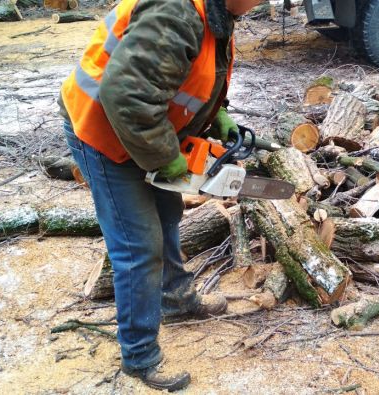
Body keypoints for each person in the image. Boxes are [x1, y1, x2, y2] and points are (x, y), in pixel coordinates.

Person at [58, 0, 263, 390]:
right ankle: (139, 356)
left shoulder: (217, 13)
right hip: (101, 129)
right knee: (139, 244)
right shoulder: (177, 12)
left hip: (141, 127)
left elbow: (182, 77)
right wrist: (168, 159)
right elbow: (128, 97)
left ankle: (176, 299)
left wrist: (213, 113)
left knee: (168, 212)